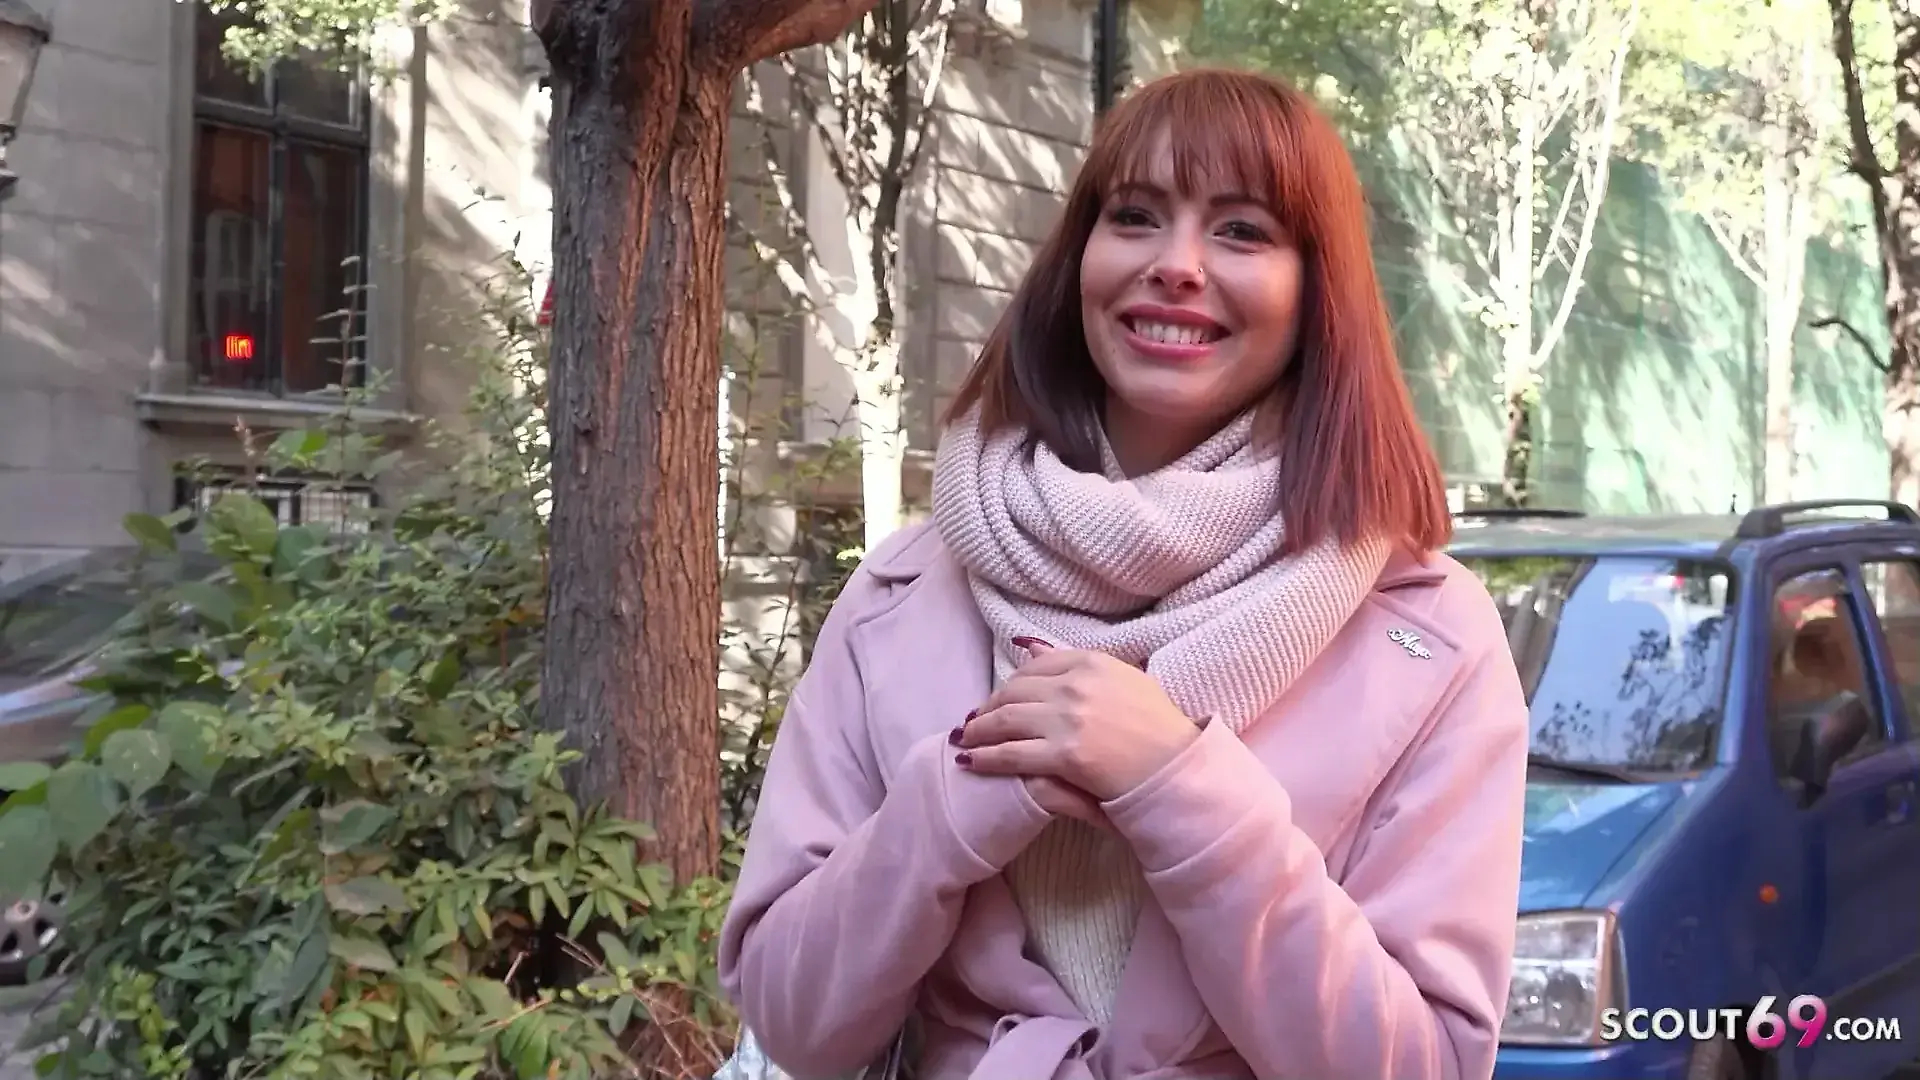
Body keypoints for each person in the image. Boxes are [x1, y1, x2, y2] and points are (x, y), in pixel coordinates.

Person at [716, 67, 1530, 1080]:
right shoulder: (905, 593)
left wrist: (1177, 790)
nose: (1175, 265)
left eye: (1242, 231)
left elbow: (1424, 1064)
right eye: (1135, 216)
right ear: (1080, 259)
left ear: (1318, 289)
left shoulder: (1431, 636)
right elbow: (792, 1021)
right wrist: (959, 799)